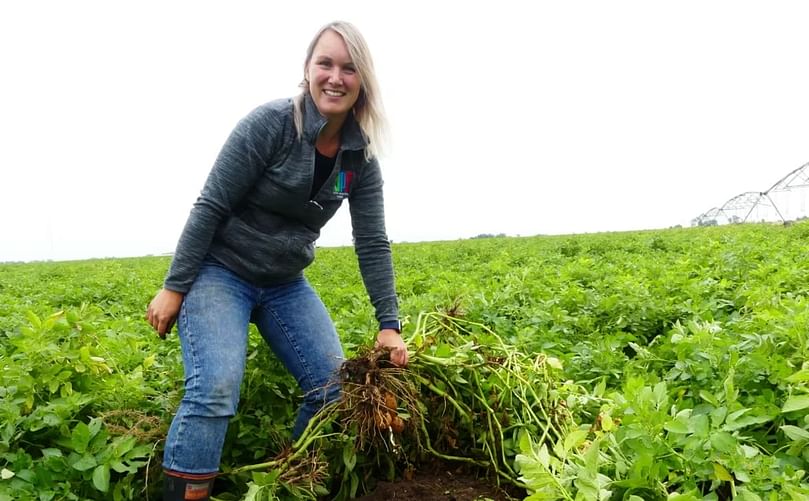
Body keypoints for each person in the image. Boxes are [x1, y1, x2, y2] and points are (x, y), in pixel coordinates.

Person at [145, 20, 407, 501]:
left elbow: (372, 241)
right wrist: (175, 286)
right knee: (216, 387)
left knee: (331, 391)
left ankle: (281, 486)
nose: (335, 77)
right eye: (325, 63)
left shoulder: (358, 159)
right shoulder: (270, 125)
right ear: (307, 71)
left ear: (362, 81)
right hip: (220, 272)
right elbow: (211, 206)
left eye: (349, 68)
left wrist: (389, 323)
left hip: (284, 282)